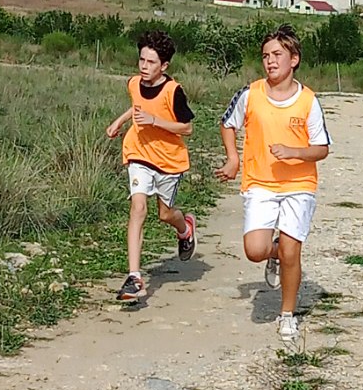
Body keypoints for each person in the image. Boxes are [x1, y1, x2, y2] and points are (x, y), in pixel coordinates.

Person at [215, 25, 330, 347]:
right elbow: (227, 124)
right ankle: (274, 253)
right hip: (260, 182)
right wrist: (233, 158)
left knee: (293, 250)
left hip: (299, 183)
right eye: (265, 56)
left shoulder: (308, 101)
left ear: (294, 59)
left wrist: (295, 152)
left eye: (277, 54)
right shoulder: (250, 94)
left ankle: (287, 314)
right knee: (255, 250)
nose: (270, 61)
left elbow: (322, 148)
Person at [106, 30, 196, 302]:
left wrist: (155, 121)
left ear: (164, 66)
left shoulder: (173, 91)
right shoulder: (134, 83)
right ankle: (134, 277)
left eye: (151, 62)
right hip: (139, 153)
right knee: (138, 208)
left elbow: (187, 127)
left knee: (165, 215)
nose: (144, 66)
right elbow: (137, 106)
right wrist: (120, 121)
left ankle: (185, 229)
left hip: (168, 160)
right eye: (142, 60)